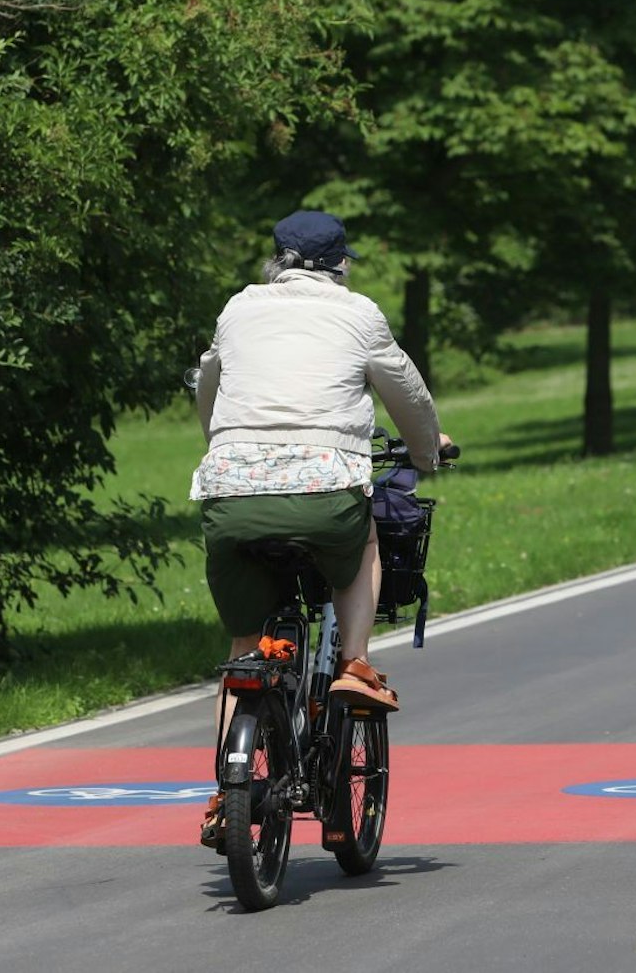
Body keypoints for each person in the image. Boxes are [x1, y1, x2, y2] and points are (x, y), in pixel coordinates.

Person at [191, 210, 448, 841]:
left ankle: (227, 792)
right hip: (326, 493)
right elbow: (407, 394)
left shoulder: (237, 308)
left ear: (276, 261)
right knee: (362, 544)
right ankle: (356, 664)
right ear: (340, 263)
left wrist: (224, 447)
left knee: (244, 650)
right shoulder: (358, 313)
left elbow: (208, 383)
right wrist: (424, 453)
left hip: (232, 492)